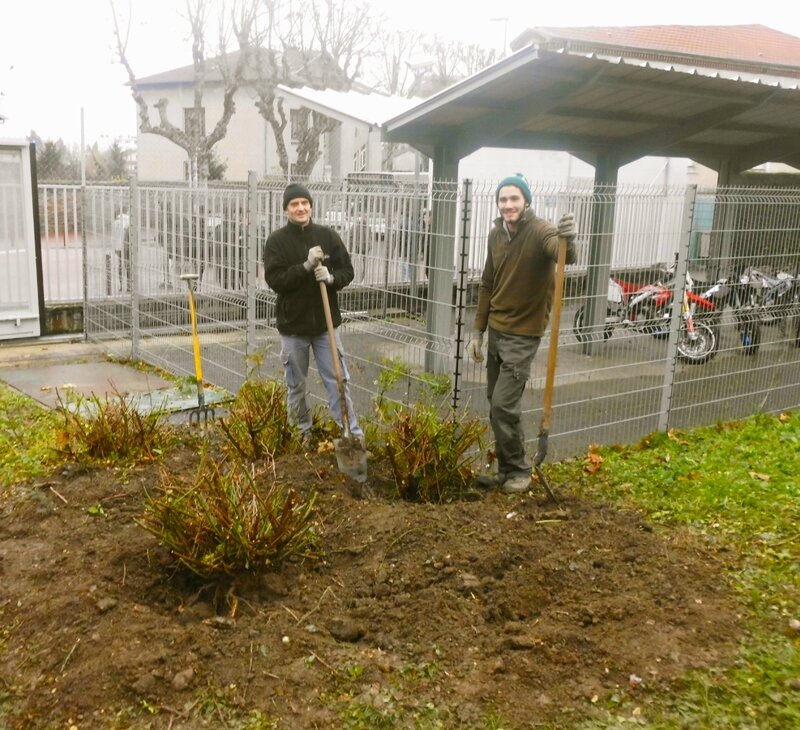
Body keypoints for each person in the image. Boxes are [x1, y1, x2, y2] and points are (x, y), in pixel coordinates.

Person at [467, 173, 577, 493]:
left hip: (523, 334)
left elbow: (562, 253)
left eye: (514, 198)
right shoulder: (495, 235)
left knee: (503, 405)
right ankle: (507, 469)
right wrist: (478, 331)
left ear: (526, 201)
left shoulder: (540, 230)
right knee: (496, 404)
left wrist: (569, 239)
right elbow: (488, 283)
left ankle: (519, 470)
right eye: (503, 199)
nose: (508, 205)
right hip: (497, 331)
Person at [263, 182, 363, 446]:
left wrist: (331, 278)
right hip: (293, 326)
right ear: (286, 209)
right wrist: (306, 266)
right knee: (296, 384)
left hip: (325, 326)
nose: (300, 208)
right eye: (294, 204)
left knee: (338, 379)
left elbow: (348, 271)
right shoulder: (276, 242)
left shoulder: (327, 236)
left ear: (310, 205)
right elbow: (276, 280)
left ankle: (350, 433)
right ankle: (300, 433)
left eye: (304, 203)